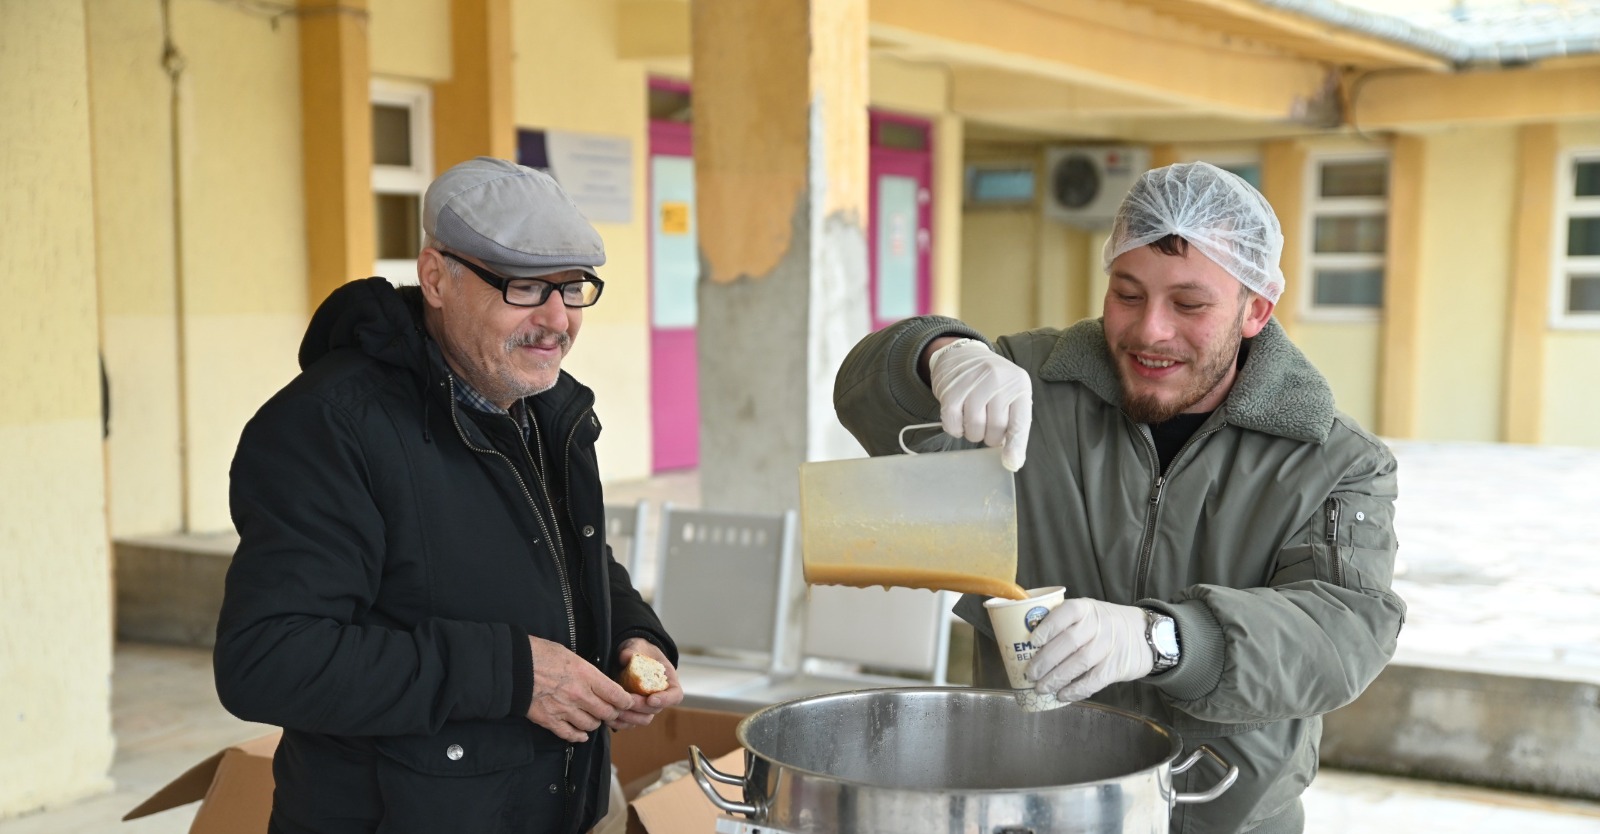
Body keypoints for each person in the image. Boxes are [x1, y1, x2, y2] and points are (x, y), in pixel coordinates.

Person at [834, 161, 1404, 833]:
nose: (1149, 331)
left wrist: (1164, 639)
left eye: (1189, 305)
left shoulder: (1333, 459)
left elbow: (1343, 631)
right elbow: (866, 404)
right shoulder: (1034, 387)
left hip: (1219, 818)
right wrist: (937, 353)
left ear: (1256, 309)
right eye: (1127, 294)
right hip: (1029, 808)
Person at [215, 156, 683, 834]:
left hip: (560, 806)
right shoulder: (328, 426)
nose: (557, 319)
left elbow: (566, 559)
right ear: (436, 277)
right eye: (524, 285)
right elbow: (268, 661)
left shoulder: (544, 407)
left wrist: (635, 635)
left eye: (572, 286)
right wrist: (510, 672)